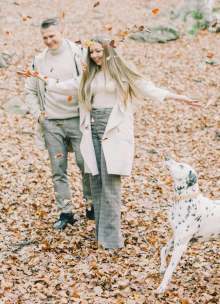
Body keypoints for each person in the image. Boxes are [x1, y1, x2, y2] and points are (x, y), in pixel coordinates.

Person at [32, 35, 200, 251]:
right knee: (97, 183)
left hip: (113, 129)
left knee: (110, 184)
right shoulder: (88, 73)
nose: (94, 55)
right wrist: (41, 77)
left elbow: (147, 88)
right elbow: (65, 86)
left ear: (108, 51)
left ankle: (112, 242)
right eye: (91, 52)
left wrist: (177, 97)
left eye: (99, 51)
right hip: (92, 128)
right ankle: (101, 236)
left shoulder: (120, 72)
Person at [24, 18, 92, 230]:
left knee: (86, 165)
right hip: (51, 123)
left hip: (77, 119)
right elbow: (29, 90)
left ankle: (91, 205)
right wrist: (39, 116)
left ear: (61, 31)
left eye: (52, 36)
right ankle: (66, 211)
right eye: (44, 37)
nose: (49, 41)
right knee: (58, 170)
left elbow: (88, 82)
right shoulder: (39, 60)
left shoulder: (79, 53)